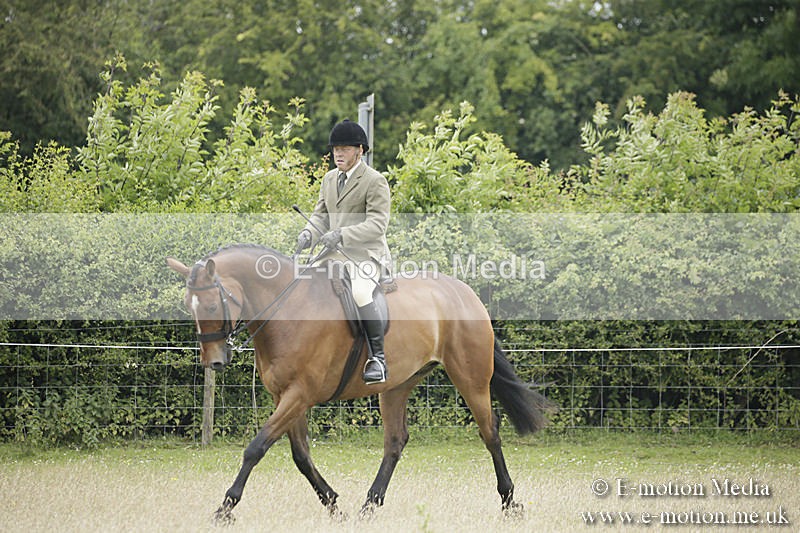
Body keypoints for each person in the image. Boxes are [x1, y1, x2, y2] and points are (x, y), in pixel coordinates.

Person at [295, 119, 391, 385]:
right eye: (336, 148)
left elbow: (377, 224)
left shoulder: (374, 181)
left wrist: (342, 234)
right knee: (302, 284)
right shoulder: (328, 179)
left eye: (345, 148)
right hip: (333, 255)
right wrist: (308, 233)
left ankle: (378, 359)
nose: (338, 153)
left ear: (360, 150)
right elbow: (320, 216)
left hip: (365, 255)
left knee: (360, 292)